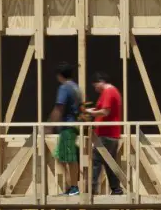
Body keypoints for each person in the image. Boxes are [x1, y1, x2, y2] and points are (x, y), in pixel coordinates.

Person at [46, 62, 83, 196]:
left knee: (69, 158)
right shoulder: (76, 88)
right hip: (73, 126)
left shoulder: (64, 88)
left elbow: (59, 108)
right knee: (62, 157)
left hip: (68, 127)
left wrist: (50, 125)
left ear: (60, 75)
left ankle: (74, 187)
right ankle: (71, 185)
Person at [86, 72, 123, 195]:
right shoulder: (112, 91)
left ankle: (91, 189)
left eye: (95, 85)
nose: (95, 88)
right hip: (110, 133)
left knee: (96, 160)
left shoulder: (108, 92)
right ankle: (116, 189)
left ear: (100, 81)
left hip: (107, 134)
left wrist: (90, 113)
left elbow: (105, 112)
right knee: (109, 163)